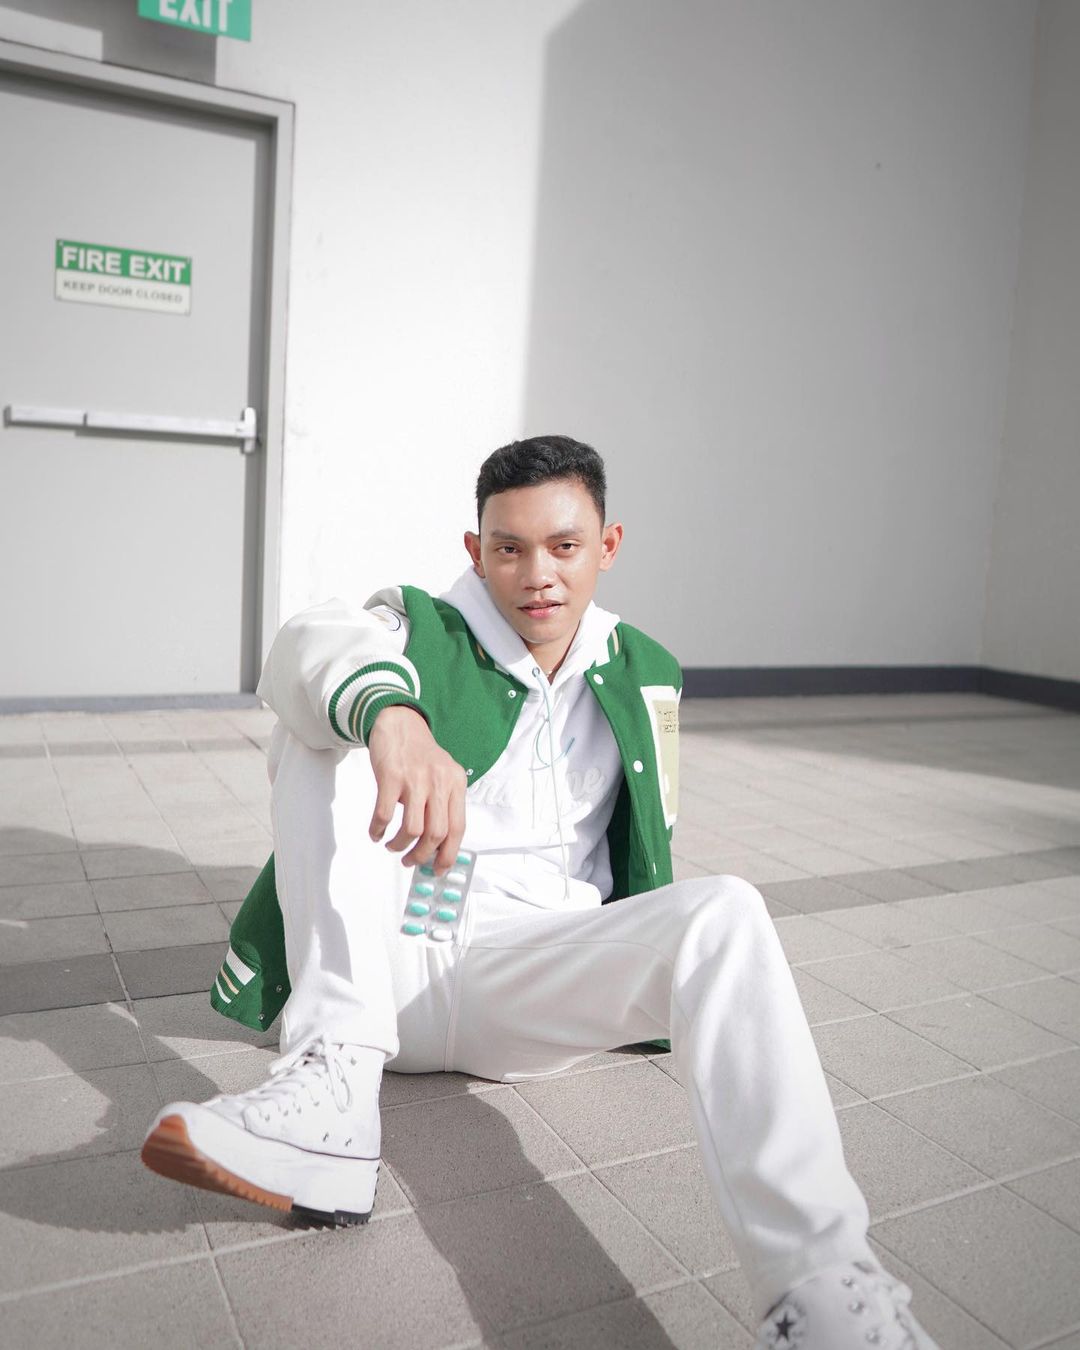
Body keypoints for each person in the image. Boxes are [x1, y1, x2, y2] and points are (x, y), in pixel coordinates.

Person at [142, 436, 938, 1349]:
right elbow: (304, 644)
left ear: (608, 545)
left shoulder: (643, 668)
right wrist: (394, 717)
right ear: (476, 551)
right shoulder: (420, 629)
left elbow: (652, 829)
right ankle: (331, 1098)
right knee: (329, 720)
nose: (537, 575)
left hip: (530, 978)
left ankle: (823, 1294)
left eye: (564, 546)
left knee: (727, 912)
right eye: (509, 548)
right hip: (387, 968)